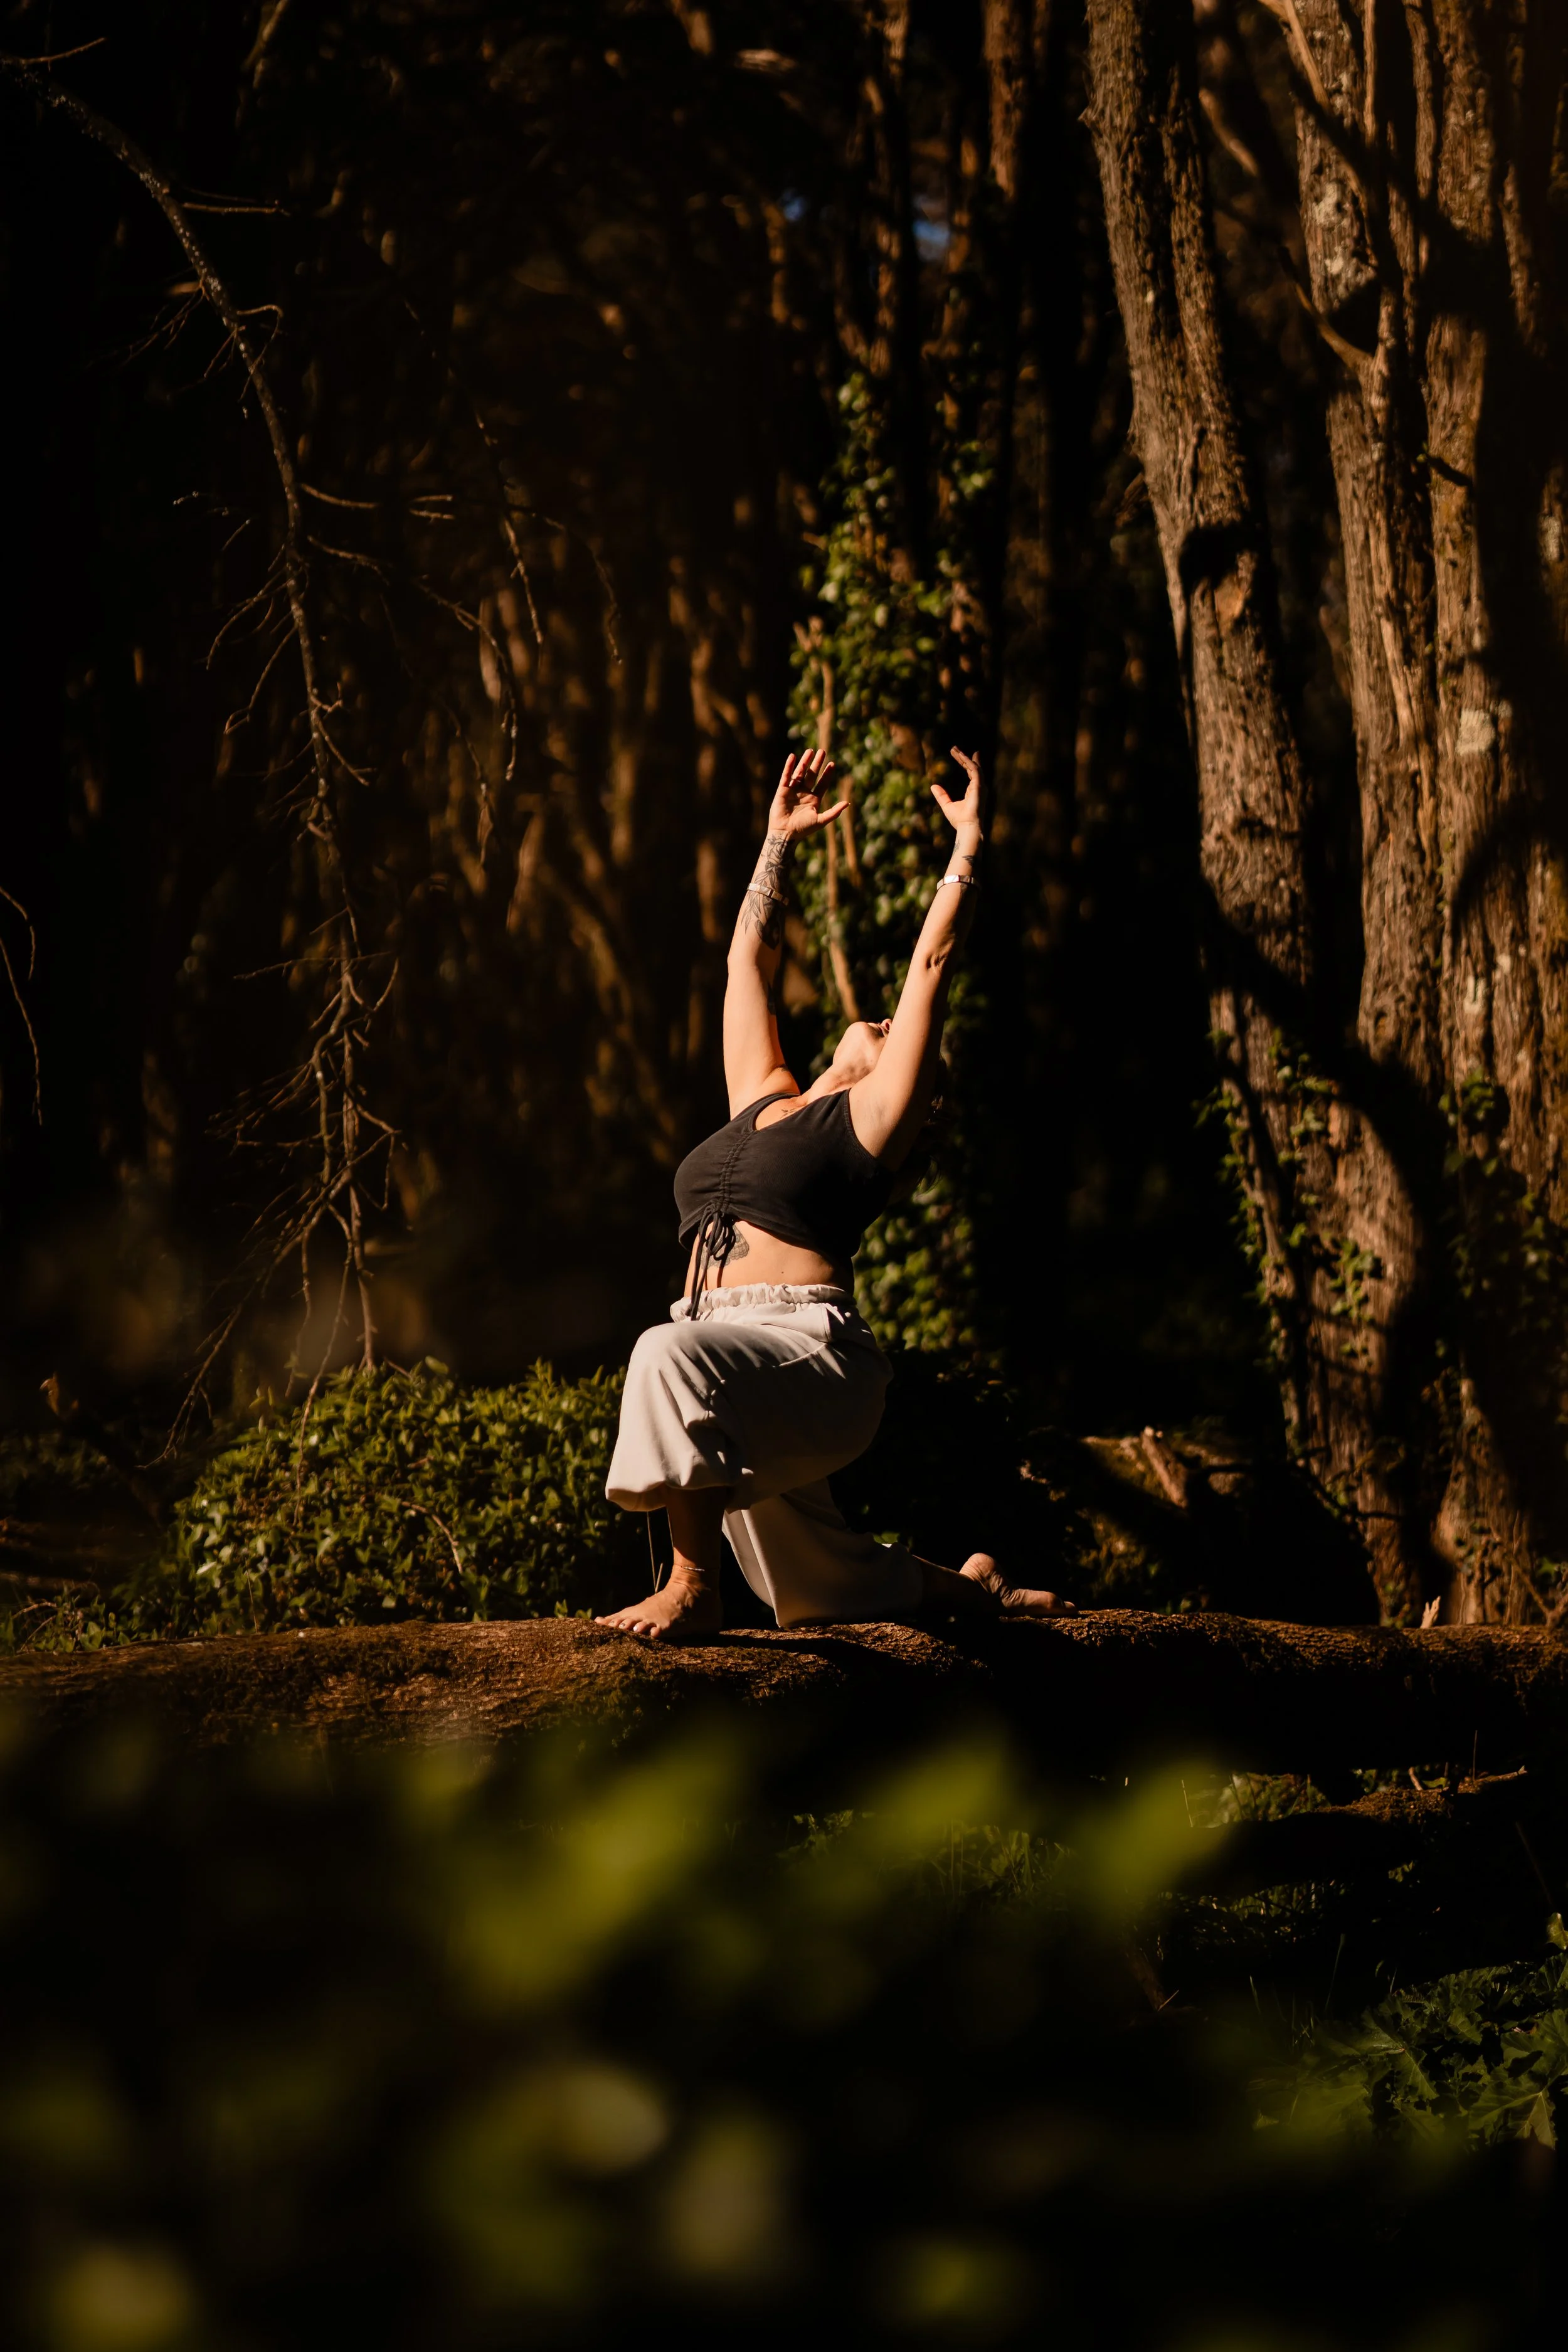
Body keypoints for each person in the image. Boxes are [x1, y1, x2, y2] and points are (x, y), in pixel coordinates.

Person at [597, 743, 1074, 1641]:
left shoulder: (867, 1126)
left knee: (664, 1356)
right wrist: (778, 841)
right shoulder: (766, 1097)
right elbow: (746, 967)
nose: (888, 1028)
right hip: (735, 1357)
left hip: (807, 1351)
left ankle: (693, 1585)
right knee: (822, 1588)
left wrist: (968, 848)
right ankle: (977, 1590)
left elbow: (930, 968)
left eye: (898, 1041)